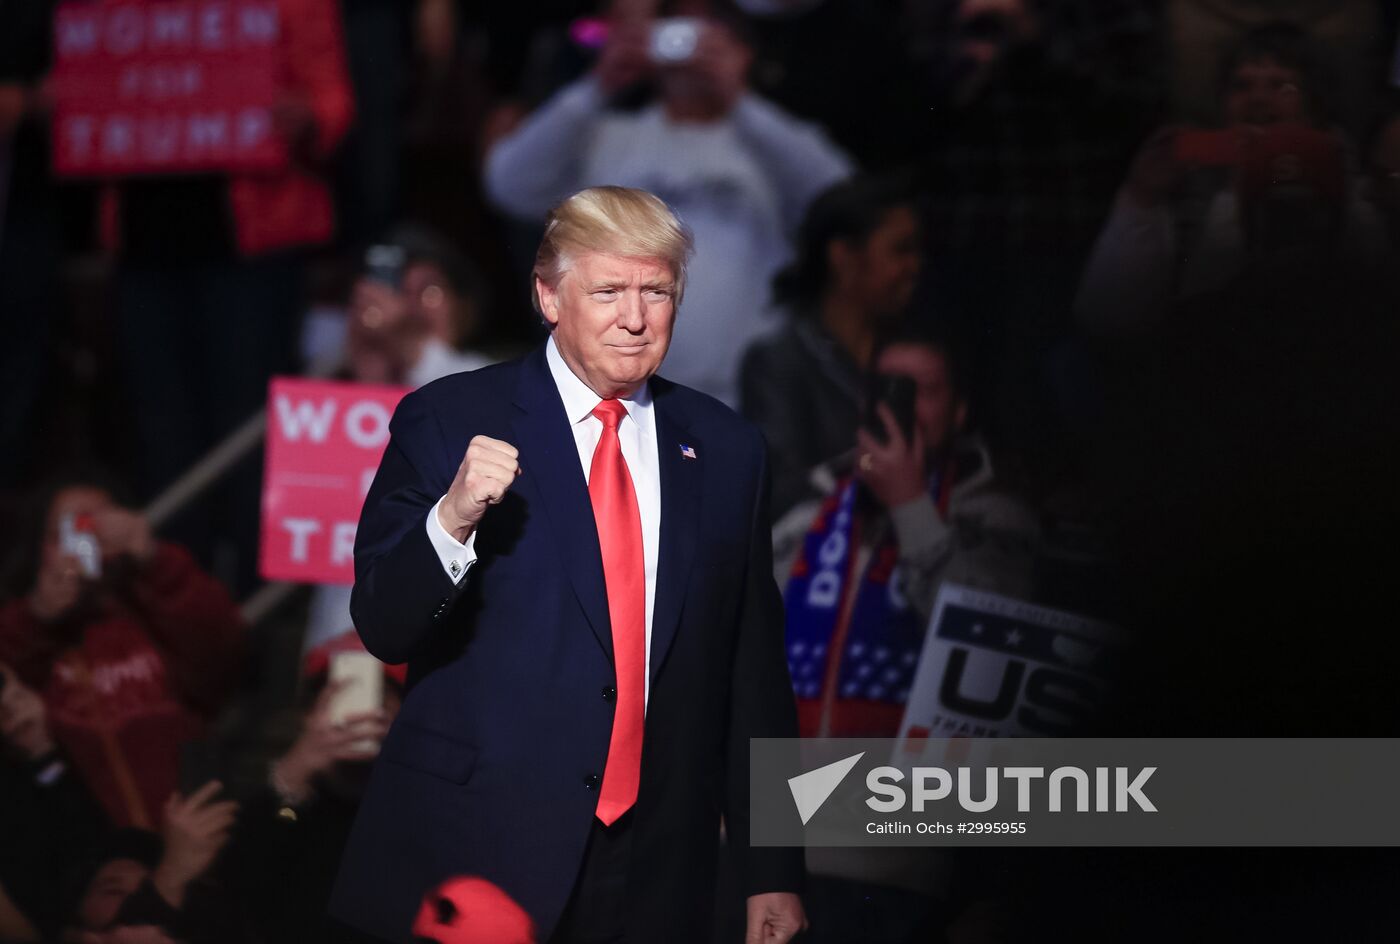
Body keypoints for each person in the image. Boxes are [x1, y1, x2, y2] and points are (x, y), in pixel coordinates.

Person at [330, 186, 805, 943]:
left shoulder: (726, 449)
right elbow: (384, 624)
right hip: (476, 850)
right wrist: (452, 517)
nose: (636, 317)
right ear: (549, 296)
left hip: (657, 871)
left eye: (657, 291)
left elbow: (754, 677)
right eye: (610, 290)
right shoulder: (449, 418)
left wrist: (773, 866)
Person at [483, 1, 852, 408]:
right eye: (675, 29)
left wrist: (738, 99)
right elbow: (508, 184)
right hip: (615, 392)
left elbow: (841, 201)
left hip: (748, 394)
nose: (689, 45)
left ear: (744, 49)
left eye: (708, 32)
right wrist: (598, 86)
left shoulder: (769, 145)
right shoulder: (608, 136)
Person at [773, 324, 1036, 739]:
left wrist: (910, 505)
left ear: (959, 411)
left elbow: (988, 643)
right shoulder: (810, 513)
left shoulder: (996, 518)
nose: (904, 406)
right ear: (864, 401)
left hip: (914, 790)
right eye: (890, 387)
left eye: (925, 391)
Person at [1075, 22, 1387, 336]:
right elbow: (1109, 318)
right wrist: (1141, 200)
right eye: (1241, 86)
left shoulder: (1353, 184)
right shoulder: (1193, 186)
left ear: (1316, 107)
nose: (1258, 99)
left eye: (1281, 87)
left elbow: (1375, 291)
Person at [0, 478, 245, 829]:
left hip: (186, 833)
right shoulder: (23, 627)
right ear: (38, 547)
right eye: (66, 532)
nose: (82, 543)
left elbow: (225, 653)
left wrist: (156, 561)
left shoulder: (154, 608)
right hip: (78, 848)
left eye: (97, 526)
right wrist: (35, 617)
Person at [740, 175, 922, 520]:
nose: (914, 266)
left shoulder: (917, 355)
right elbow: (781, 493)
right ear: (843, 257)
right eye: (901, 250)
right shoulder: (779, 363)